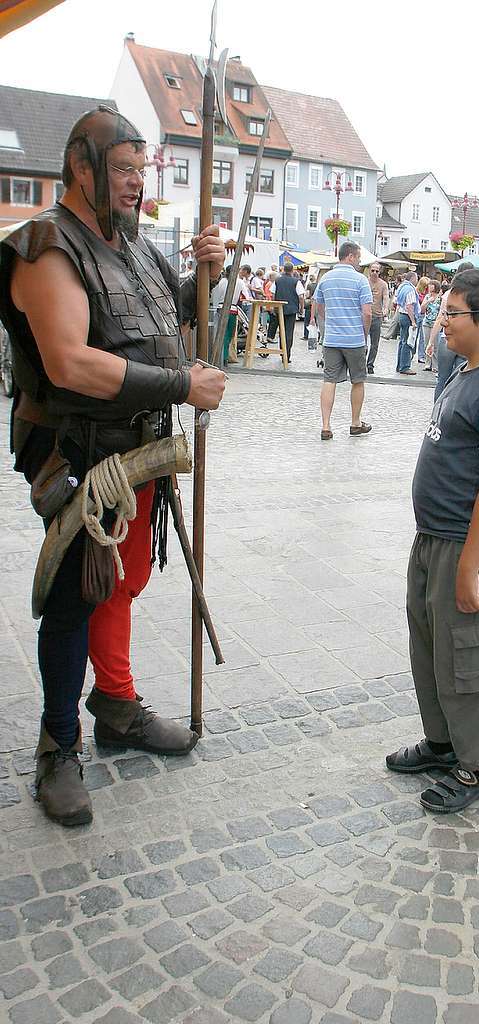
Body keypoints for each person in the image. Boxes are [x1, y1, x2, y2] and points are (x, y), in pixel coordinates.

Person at [0, 105, 227, 827]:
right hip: (78, 455)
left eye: (141, 169)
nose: (136, 183)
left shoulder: (131, 245)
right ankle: (56, 747)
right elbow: (69, 363)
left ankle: (116, 707)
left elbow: (170, 330)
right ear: (81, 166)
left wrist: (205, 277)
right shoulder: (44, 246)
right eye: (123, 169)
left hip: (139, 452)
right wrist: (182, 387)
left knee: (119, 585)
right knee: (74, 596)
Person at [385, 269, 479, 813]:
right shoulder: (462, 370)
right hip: (434, 539)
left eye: (452, 313)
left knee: (474, 656)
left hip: (474, 549)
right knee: (432, 649)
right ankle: (445, 744)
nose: (442, 321)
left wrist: (470, 566)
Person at [314, 240, 373, 440]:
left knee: (329, 380)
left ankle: (326, 426)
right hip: (354, 339)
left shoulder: (325, 278)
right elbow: (367, 313)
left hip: (331, 339)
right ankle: (355, 423)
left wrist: (329, 321)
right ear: (350, 256)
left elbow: (319, 307)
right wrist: (364, 334)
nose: (359, 262)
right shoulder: (360, 280)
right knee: (358, 381)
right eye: (358, 257)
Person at [428, 261, 474, 398]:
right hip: (466, 340)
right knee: (460, 380)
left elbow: (439, 319)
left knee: (442, 379)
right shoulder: (474, 295)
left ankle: (437, 414)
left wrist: (431, 341)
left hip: (446, 338)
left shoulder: (449, 294)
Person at [268, 262, 303, 363]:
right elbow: (301, 296)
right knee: (288, 333)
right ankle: (286, 355)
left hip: (280, 309)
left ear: (283, 269)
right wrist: (301, 308)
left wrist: (275, 306)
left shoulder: (277, 280)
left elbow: (273, 294)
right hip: (291, 310)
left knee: (281, 332)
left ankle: (282, 352)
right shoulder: (296, 281)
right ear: (292, 270)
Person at [366, 262, 389, 374]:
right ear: (369, 270)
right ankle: (360, 363)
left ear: (379, 272)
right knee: (362, 341)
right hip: (364, 315)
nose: (374, 273)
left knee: (375, 343)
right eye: (373, 270)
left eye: (377, 271)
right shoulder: (364, 282)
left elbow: (385, 297)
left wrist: (385, 308)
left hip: (376, 316)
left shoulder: (383, 284)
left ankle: (370, 364)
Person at [395, 270, 420, 375]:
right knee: (408, 342)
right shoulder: (410, 289)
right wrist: (413, 321)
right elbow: (409, 306)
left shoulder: (402, 287)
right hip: (407, 316)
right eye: (416, 278)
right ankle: (405, 366)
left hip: (401, 315)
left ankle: (399, 365)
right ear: (413, 278)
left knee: (402, 341)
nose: (417, 280)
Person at [420, 280, 442, 372]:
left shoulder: (440, 298)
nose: (429, 287)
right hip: (427, 323)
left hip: (436, 323)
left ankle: (435, 365)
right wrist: (428, 301)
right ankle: (427, 363)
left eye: (431, 286)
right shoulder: (427, 296)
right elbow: (422, 309)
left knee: (435, 344)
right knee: (427, 343)